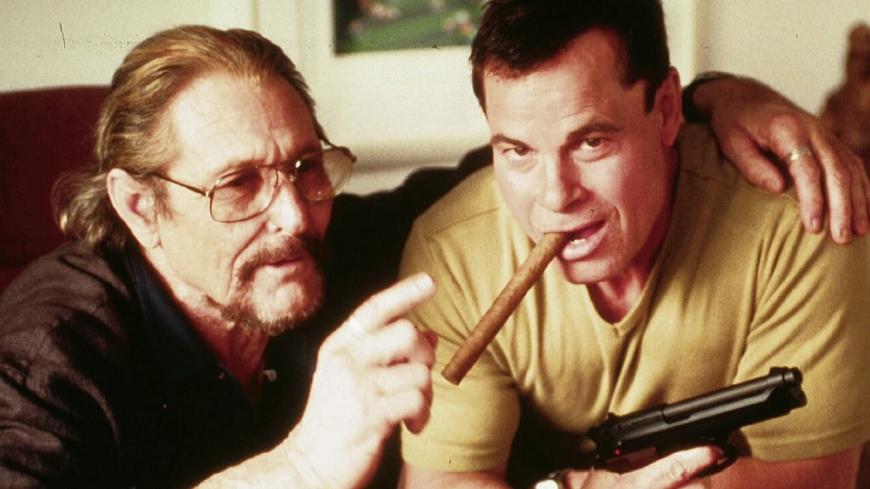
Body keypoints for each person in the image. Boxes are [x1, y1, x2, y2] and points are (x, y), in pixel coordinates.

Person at [0, 23, 863, 489]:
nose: (294, 214)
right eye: (237, 184)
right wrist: (300, 466)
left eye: (305, 166)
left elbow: (544, 159)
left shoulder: (334, 244)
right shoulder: (48, 356)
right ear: (139, 205)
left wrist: (721, 99)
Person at [398, 1, 870, 488]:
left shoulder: (801, 222)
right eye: (518, 151)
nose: (556, 196)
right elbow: (442, 483)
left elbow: (811, 481)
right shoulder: (450, 256)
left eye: (591, 142)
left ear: (666, 110)